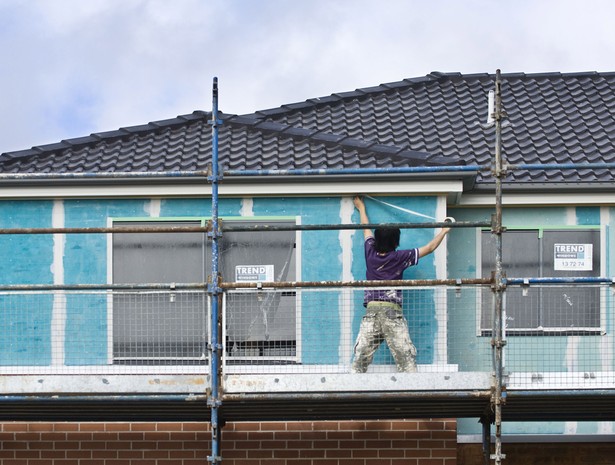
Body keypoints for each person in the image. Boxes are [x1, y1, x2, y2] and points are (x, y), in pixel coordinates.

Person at [351, 196, 450, 373]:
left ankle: (351, 389)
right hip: (391, 311)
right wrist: (444, 230)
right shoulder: (399, 257)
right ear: (396, 242)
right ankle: (413, 391)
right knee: (405, 358)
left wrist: (361, 208)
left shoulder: (370, 253)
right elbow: (429, 248)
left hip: (372, 312)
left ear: (377, 240)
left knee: (361, 357)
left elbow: (366, 230)